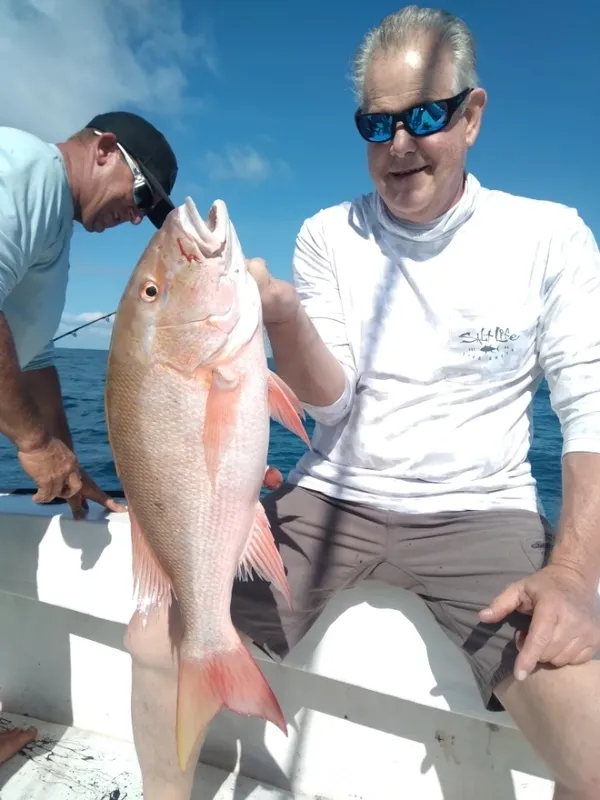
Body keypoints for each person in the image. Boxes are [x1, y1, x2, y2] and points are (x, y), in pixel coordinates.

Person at [124, 6, 600, 800]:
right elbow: (331, 403)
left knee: (590, 735)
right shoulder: (326, 233)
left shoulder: (551, 237)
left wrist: (577, 571)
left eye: (424, 115)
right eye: (377, 125)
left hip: (481, 514)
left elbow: (587, 410)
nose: (400, 144)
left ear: (472, 115)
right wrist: (279, 316)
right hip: (333, 498)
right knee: (152, 635)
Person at [0, 110, 180, 764]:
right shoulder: (25, 171)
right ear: (104, 149)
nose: (135, 219)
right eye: (140, 198)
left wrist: (69, 460)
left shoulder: (52, 231)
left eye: (147, 212)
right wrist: (29, 440)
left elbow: (38, 358)